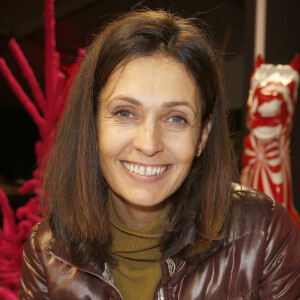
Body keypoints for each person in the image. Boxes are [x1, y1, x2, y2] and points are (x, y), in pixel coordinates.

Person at [19, 9, 300, 300]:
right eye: (125, 112)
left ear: (202, 136)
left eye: (176, 118)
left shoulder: (264, 234)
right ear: (92, 124)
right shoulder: (47, 252)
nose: (149, 144)